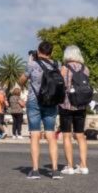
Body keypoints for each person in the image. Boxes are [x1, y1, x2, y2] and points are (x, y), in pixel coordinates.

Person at [20, 41, 62, 179]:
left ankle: (36, 170)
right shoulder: (57, 64)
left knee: (35, 136)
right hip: (51, 102)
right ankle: (55, 170)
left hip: (34, 102)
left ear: (38, 51)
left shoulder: (32, 64)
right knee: (51, 135)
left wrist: (30, 61)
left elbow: (21, 81)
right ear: (52, 52)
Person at [59, 45, 91, 175]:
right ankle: (83, 166)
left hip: (66, 104)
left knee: (67, 135)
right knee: (80, 135)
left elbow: (60, 86)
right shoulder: (86, 69)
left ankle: (70, 166)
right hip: (81, 105)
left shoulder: (64, 68)